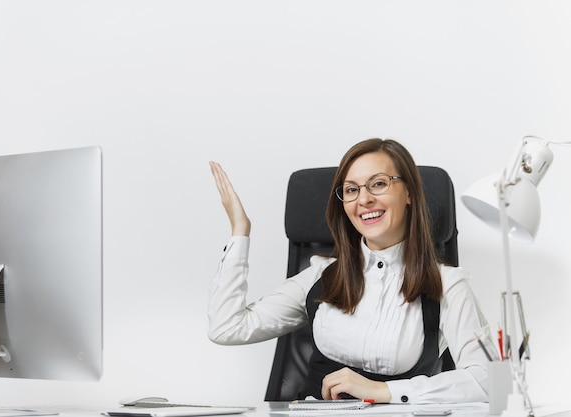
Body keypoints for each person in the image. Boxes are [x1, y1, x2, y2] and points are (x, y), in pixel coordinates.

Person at [208, 138, 496, 404]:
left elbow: (490, 382)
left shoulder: (446, 284)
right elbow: (227, 327)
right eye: (351, 190)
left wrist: (383, 391)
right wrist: (239, 231)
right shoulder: (321, 276)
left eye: (378, 184)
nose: (364, 199)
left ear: (408, 192)